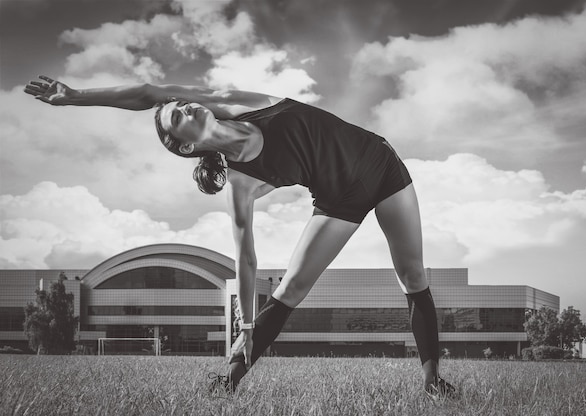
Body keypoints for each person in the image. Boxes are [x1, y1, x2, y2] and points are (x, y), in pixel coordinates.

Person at [24, 75, 456, 399]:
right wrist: (246, 324)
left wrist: (75, 96)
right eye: (177, 116)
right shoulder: (241, 184)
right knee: (292, 287)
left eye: (182, 104)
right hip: (338, 200)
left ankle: (433, 382)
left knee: (411, 274)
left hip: (380, 165)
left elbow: (148, 92)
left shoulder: (238, 102)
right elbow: (245, 259)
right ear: (185, 147)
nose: (186, 106)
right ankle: (227, 383)